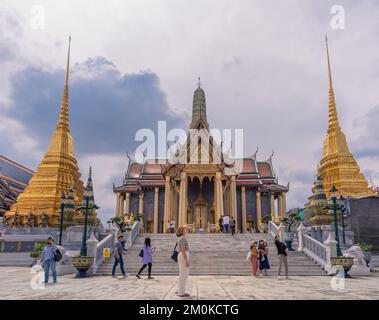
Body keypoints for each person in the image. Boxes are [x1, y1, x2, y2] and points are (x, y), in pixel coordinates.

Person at [176, 225, 190, 297]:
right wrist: (186, 260)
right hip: (183, 255)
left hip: (181, 255)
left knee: (182, 273)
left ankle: (179, 290)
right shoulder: (183, 238)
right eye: (186, 229)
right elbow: (182, 249)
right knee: (184, 274)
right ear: (183, 230)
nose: (187, 230)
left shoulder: (180, 238)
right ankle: (181, 292)